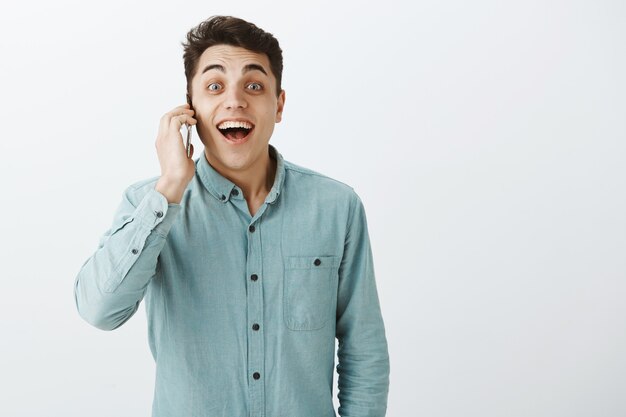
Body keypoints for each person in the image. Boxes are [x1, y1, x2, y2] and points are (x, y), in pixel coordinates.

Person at [74, 15, 390, 417]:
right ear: (189, 107)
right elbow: (99, 310)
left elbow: (363, 347)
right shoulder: (147, 203)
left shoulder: (336, 206)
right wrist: (170, 188)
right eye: (214, 86)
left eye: (254, 86)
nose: (235, 100)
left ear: (278, 105)